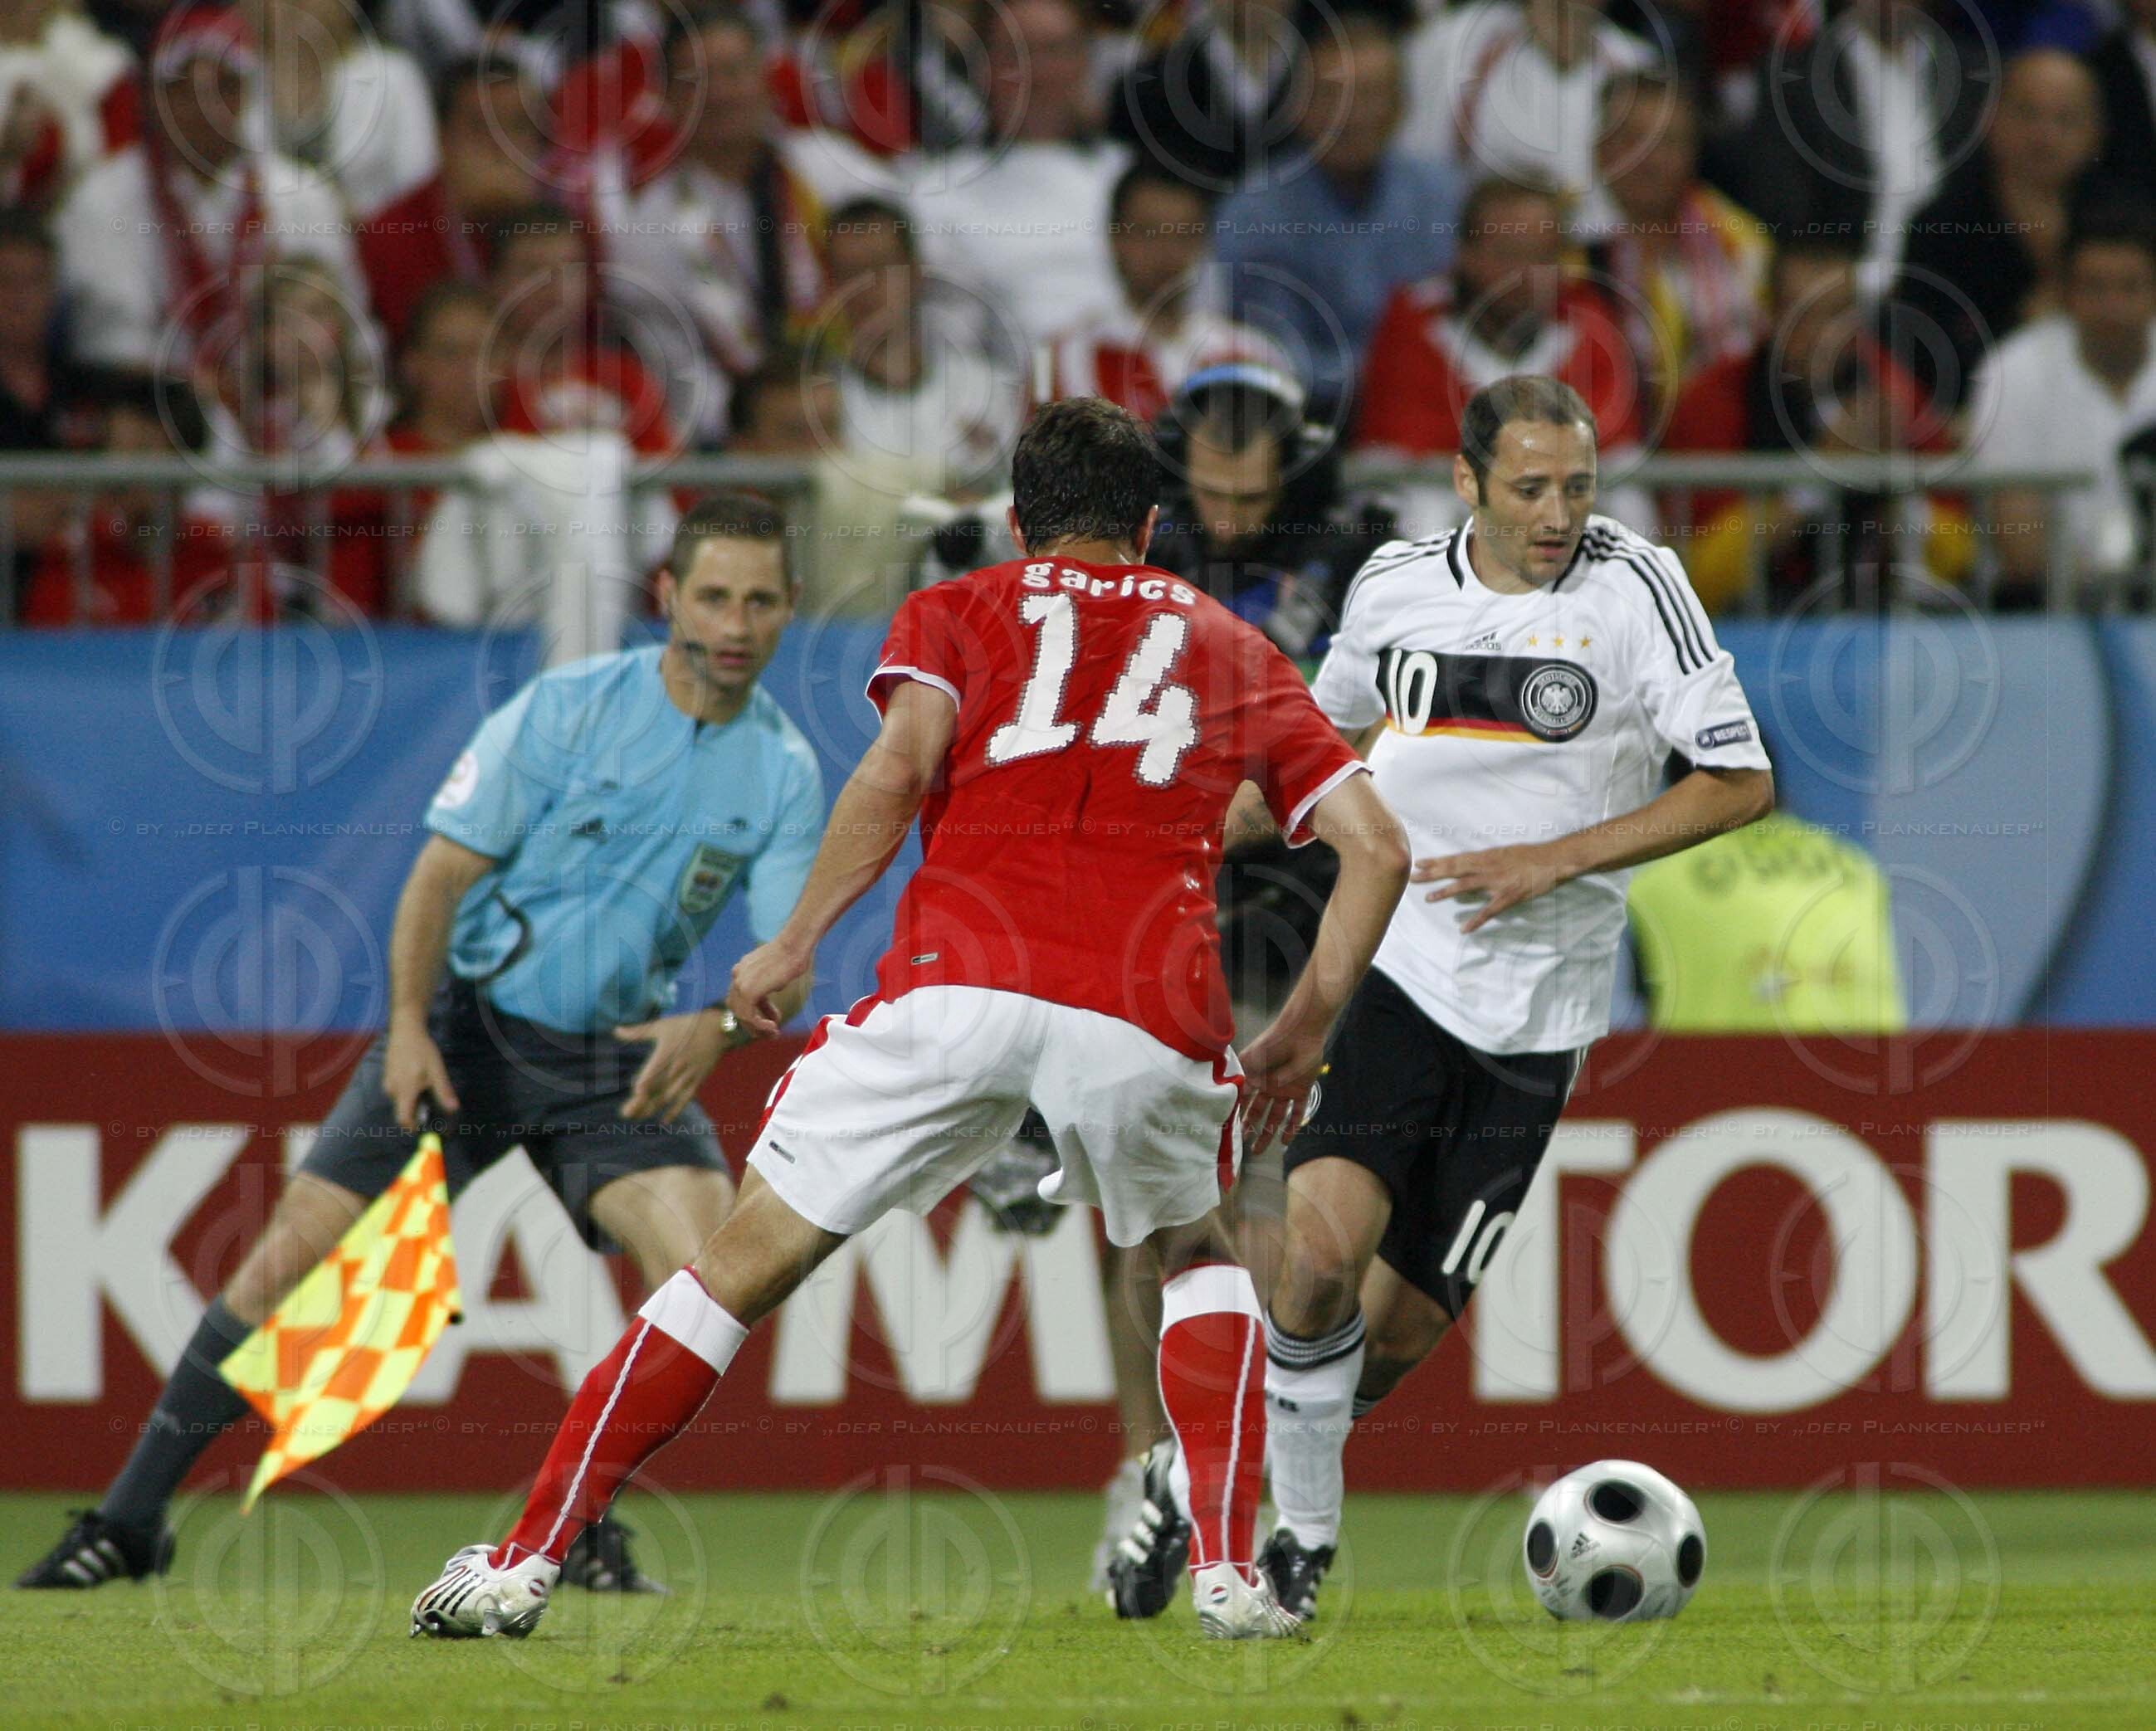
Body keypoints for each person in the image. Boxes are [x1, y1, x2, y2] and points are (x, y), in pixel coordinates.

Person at [407, 396, 1411, 1643]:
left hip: (958, 984)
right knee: (1199, 1245)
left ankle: (524, 1558)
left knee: (736, 1265)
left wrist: (792, 941)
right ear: (1150, 526)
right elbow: (1375, 846)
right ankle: (1226, 1571)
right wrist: (1304, 1025)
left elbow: (895, 770)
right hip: (1146, 1007)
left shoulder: (958, 609)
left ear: (1011, 522)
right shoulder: (1231, 645)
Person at [17, 493, 827, 1591]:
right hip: (469, 1030)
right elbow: (440, 876)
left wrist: (722, 1022)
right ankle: (128, 1520)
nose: (735, 622)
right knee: (289, 1255)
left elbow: (786, 961)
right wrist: (405, 1029)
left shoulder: (780, 771)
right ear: (669, 597)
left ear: (788, 612)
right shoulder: (567, 710)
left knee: (704, 1273)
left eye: (761, 600)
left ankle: (576, 1526)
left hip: (612, 1061)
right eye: (716, 595)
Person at [1113, 375, 1773, 1623]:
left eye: (1576, 486)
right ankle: (1296, 1548)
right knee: (1311, 1261)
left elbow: (1735, 781)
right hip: (1398, 971)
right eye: (1528, 488)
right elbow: (1323, 752)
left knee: (1396, 1328)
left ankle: (1192, 1465)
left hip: (1541, 1019)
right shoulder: (1394, 584)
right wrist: (1192, 837)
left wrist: (1551, 858)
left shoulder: (1637, 589)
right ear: (1466, 481)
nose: (1556, 512)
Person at [1212, 11, 1462, 417]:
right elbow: (1276, 356)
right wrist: (1396, 375)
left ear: (1401, 105)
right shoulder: (1253, 212)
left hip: (1438, 414)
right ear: (1298, 105)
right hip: (1311, 424)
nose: (1353, 115)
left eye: (1371, 94)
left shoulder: (1445, 197)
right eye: (1332, 96)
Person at [1887, 47, 2110, 412]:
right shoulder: (1941, 228)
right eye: (2028, 113)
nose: (2044, 135)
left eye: (2065, 119)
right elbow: (1922, 356)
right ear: (1990, 118)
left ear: (2096, 133)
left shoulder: (2128, 221)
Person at [1968, 202, 2156, 604]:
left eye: (2130, 288)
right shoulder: (2012, 373)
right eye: (2095, 289)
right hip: (2043, 609)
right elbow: (2020, 551)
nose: (2113, 309)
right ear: (2066, 293)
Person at [1039, 165, 1289, 422]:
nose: (1166, 252)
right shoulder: (1065, 358)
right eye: (1149, 233)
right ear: (1116, 238)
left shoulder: (1252, 356)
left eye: (1183, 234)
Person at [1397, 0, 1657, 201]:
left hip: (1604, 253)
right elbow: (1413, 178)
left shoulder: (1638, 62)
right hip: (1487, 249)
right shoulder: (1448, 46)